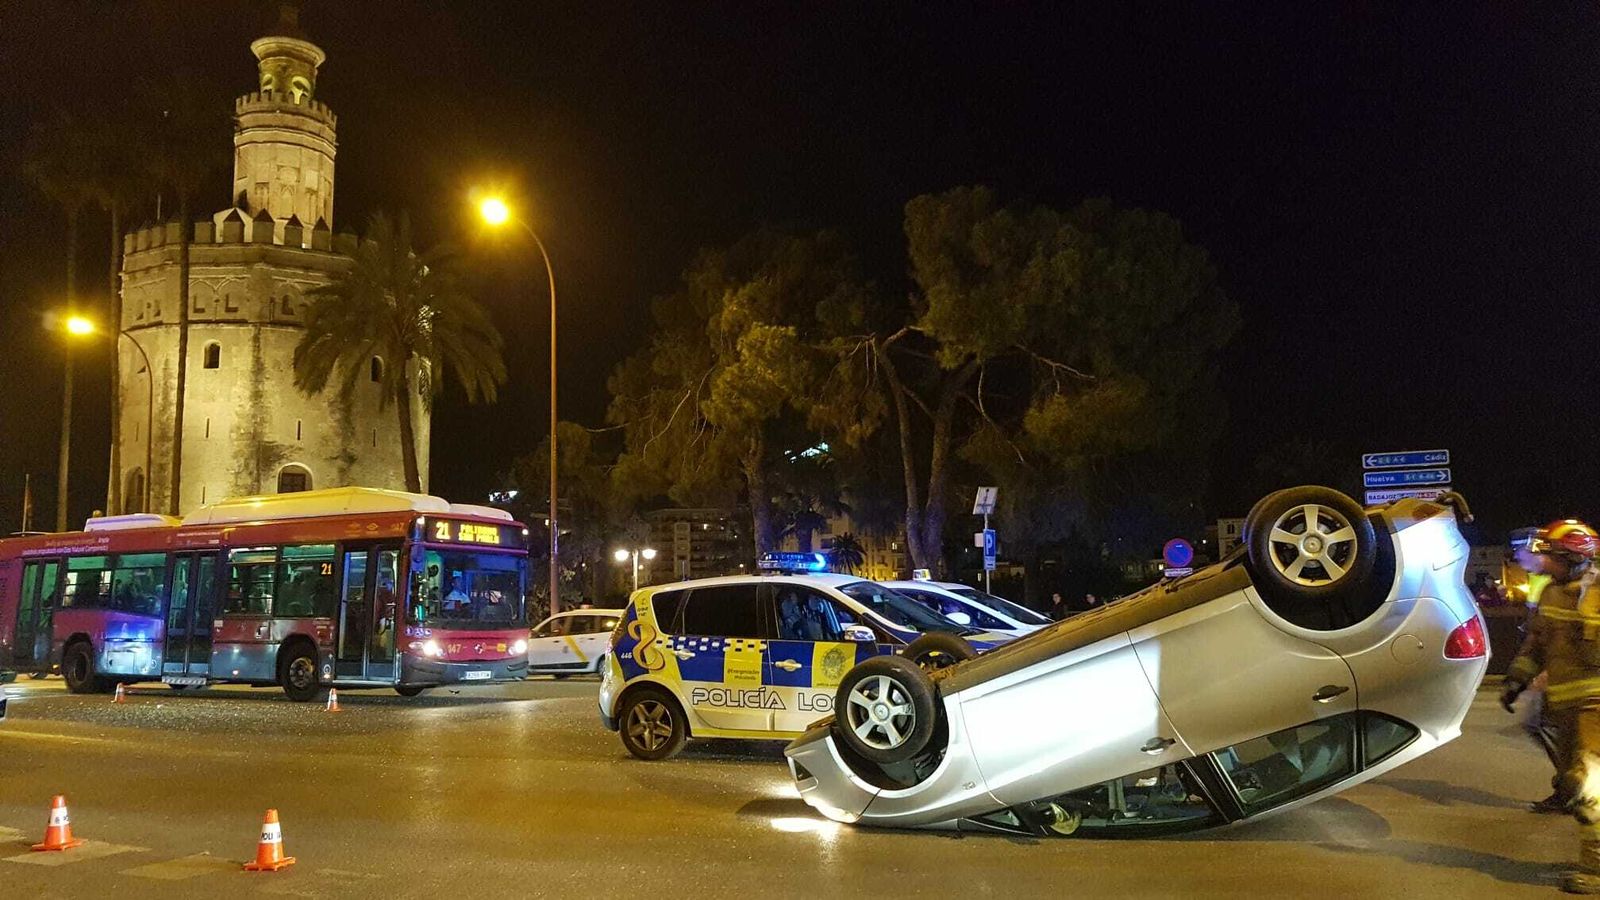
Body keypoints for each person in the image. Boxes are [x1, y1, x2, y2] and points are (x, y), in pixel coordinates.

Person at [1502, 519, 1600, 893]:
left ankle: (1596, 869)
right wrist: (1516, 680)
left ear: (1573, 558)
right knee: (1577, 786)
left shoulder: (1596, 592)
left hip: (1594, 705)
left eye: (1551, 556)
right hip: (1566, 705)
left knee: (1588, 786)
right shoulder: (1552, 593)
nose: (1543, 562)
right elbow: (1537, 643)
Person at [1508, 526, 1565, 812]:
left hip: (1567, 673)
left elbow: (1559, 636)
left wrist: (1547, 672)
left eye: (1519, 552)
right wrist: (1518, 678)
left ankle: (1573, 787)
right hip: (1556, 668)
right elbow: (1537, 632)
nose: (1517, 559)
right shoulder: (1542, 581)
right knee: (1545, 725)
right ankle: (1570, 786)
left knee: (1546, 725)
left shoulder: (1559, 586)